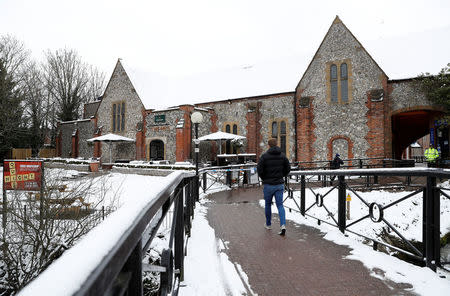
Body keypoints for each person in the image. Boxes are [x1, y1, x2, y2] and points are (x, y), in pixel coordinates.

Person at [257, 138, 291, 236]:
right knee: (280, 205)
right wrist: (281, 175)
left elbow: (260, 170)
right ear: (277, 144)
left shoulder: (264, 157)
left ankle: (268, 224)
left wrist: (265, 178)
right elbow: (288, 168)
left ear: (269, 145)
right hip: (279, 184)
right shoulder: (282, 156)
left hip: (268, 185)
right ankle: (283, 225)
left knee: (268, 204)